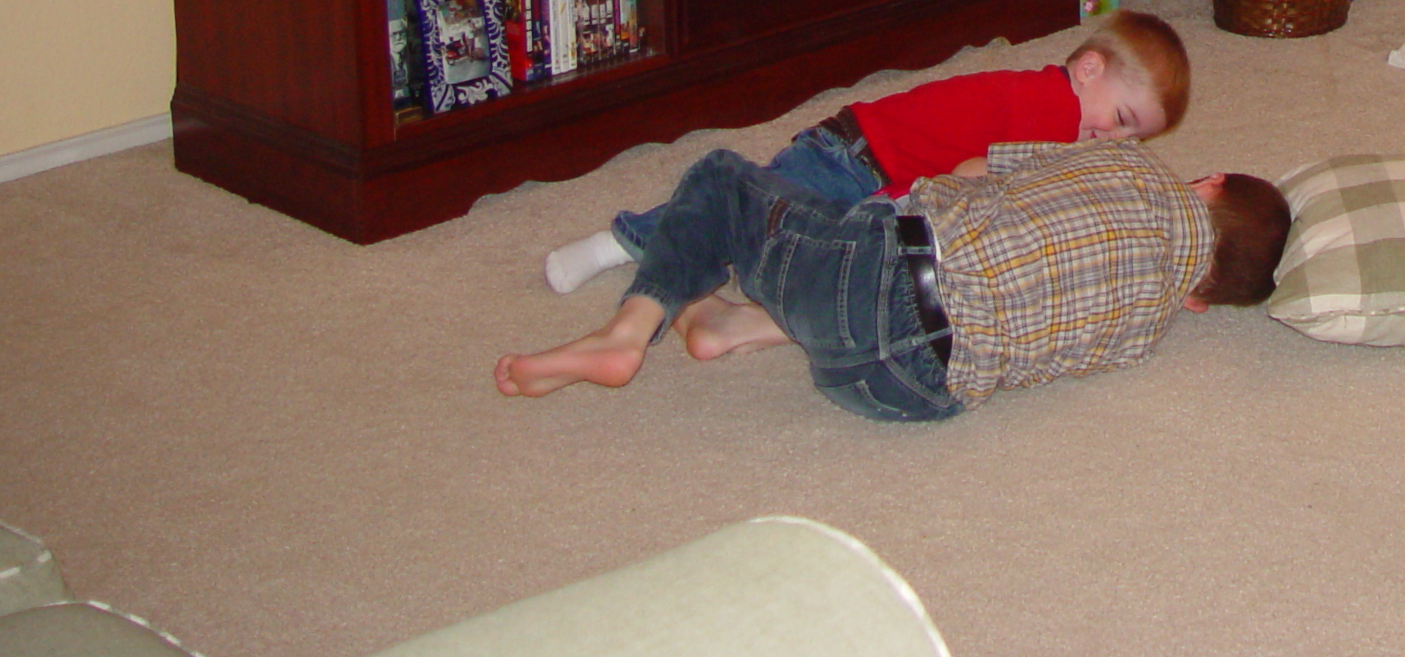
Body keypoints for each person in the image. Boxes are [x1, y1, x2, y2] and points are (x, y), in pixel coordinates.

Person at [494, 141, 1292, 421]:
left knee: (725, 182)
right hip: (909, 391)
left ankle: (626, 334)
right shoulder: (1148, 331)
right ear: (1200, 298)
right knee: (907, 307)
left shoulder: (1134, 165)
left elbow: (976, 169)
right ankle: (733, 326)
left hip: (882, 274)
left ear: (1210, 182)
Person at [540, 11, 1192, 293]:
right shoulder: (1053, 110)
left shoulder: (1052, 103)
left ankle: (702, 267)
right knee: (746, 207)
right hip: (853, 157)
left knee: (780, 235)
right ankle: (620, 242)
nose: (1112, 140)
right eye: (1120, 120)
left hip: (869, 163)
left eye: (1134, 138)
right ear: (1087, 70)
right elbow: (983, 177)